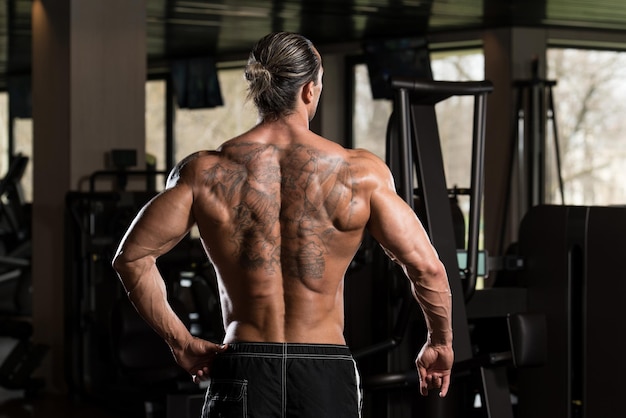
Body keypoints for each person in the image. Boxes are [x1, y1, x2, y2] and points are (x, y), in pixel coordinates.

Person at [112, 31, 453, 418]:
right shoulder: (360, 174)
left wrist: (181, 343)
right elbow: (427, 268)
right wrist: (440, 342)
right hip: (324, 369)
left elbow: (131, 259)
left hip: (244, 364)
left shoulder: (205, 172)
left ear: (257, 90)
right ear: (309, 90)